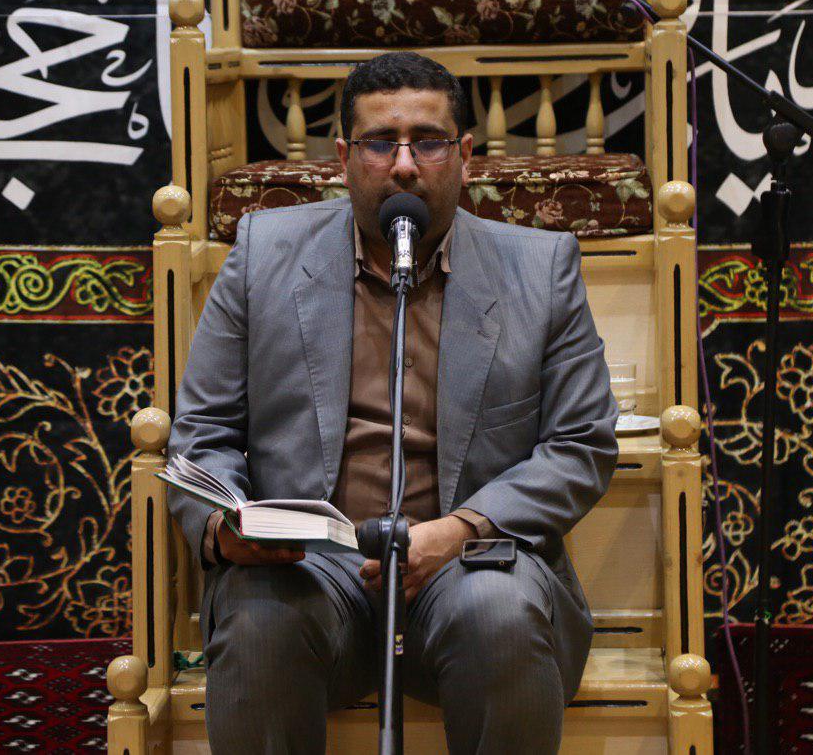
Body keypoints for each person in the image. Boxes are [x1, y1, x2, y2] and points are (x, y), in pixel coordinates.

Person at [168, 51, 618, 754]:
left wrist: (460, 530)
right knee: (259, 619)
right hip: (310, 573)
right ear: (343, 158)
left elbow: (581, 444)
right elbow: (203, 432)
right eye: (381, 143)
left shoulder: (541, 267)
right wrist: (226, 530)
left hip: (468, 568)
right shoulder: (261, 254)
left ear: (465, 155)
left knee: (499, 609)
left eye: (427, 142)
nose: (404, 165)